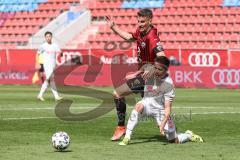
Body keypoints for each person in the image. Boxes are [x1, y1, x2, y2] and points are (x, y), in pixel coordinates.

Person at [106, 9, 166, 141]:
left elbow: (162, 57)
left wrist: (151, 70)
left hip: (151, 79)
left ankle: (186, 136)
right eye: (138, 21)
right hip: (144, 77)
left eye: (143, 22)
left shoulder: (152, 37)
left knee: (165, 131)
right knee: (117, 94)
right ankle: (121, 127)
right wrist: (114, 27)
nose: (140, 24)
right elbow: (129, 37)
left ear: (150, 21)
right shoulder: (140, 32)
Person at [119, 56, 204, 145]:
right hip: (146, 103)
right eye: (155, 68)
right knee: (138, 106)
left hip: (160, 110)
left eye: (159, 69)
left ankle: (188, 135)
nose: (156, 71)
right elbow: (145, 66)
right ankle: (127, 138)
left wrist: (162, 124)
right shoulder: (151, 70)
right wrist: (135, 74)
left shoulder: (168, 84)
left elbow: (167, 108)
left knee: (174, 141)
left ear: (166, 70)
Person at [37, 31, 63, 101]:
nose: (48, 38)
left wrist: (61, 53)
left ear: (51, 37)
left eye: (49, 36)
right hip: (47, 65)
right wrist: (38, 63)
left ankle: (41, 95)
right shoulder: (43, 46)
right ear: (45, 38)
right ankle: (55, 96)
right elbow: (38, 54)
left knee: (51, 80)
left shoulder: (55, 45)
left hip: (53, 65)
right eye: (47, 37)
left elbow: (60, 53)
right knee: (49, 78)